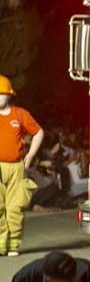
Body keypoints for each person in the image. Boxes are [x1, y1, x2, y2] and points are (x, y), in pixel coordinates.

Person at [0, 75, 44, 256]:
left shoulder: (20, 114)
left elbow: (39, 132)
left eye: (2, 94)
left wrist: (31, 155)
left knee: (15, 207)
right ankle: (1, 243)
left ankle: (13, 244)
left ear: (9, 96)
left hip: (16, 167)